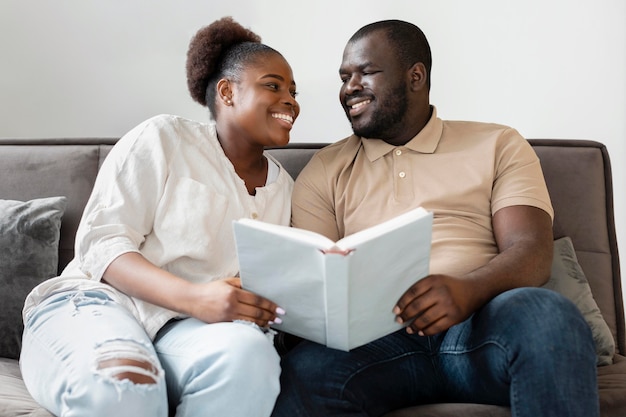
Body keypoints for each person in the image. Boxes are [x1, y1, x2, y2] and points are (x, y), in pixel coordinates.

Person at [272, 19, 598, 417]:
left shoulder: (497, 143)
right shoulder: (324, 170)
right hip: (379, 345)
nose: (349, 88)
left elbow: (530, 250)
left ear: (415, 76)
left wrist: (467, 290)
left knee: (548, 317)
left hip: (479, 328)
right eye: (345, 77)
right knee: (304, 372)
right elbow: (314, 283)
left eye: (366, 72)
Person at [20, 16, 299, 417]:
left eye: (293, 90)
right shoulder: (164, 138)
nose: (291, 99)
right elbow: (102, 243)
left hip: (183, 333)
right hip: (98, 303)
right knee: (126, 385)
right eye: (273, 85)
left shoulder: (286, 189)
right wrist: (195, 297)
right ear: (227, 91)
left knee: (249, 358)